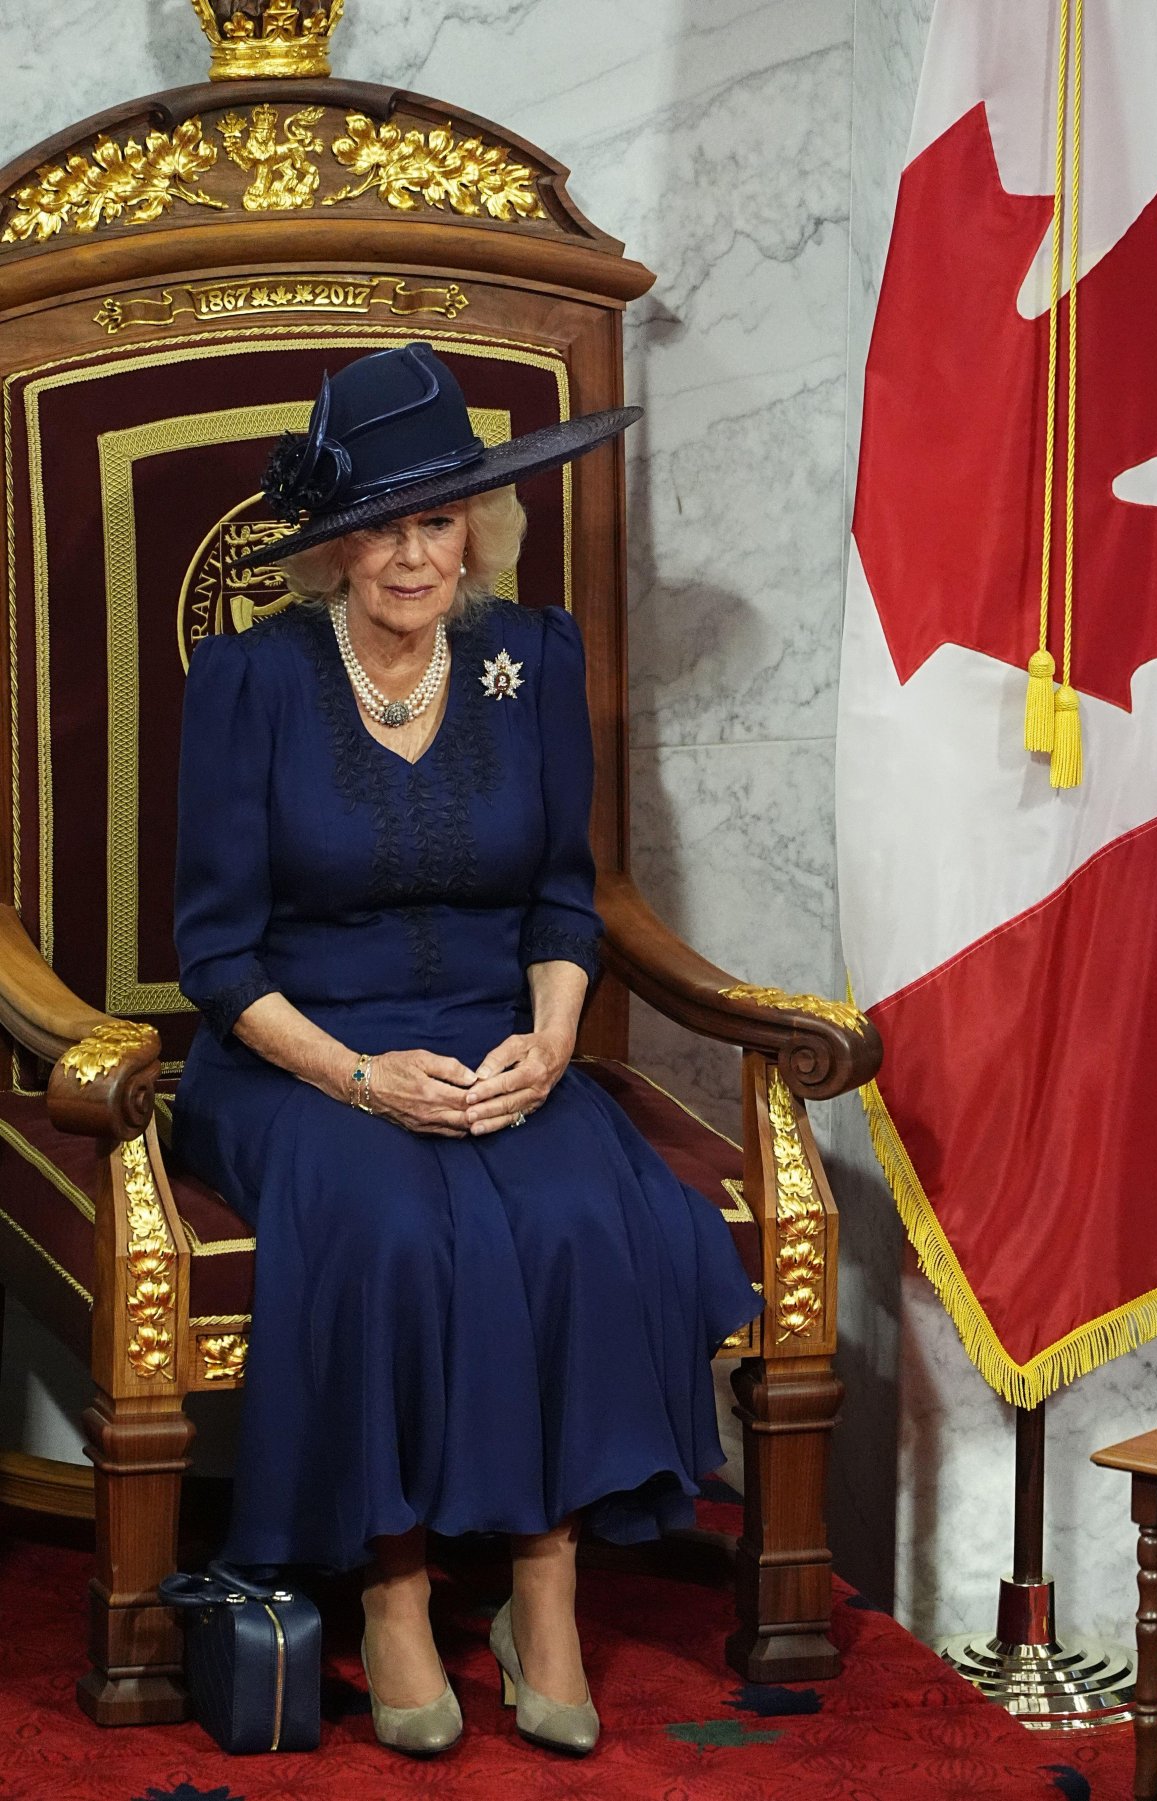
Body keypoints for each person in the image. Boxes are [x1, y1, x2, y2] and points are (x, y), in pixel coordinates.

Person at [172, 343, 762, 1758]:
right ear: (333, 545)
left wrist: (553, 1042)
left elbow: (564, 896)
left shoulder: (530, 658)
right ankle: (395, 1585)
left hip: (499, 1045)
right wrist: (358, 1078)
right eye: (379, 524)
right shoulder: (251, 680)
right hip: (297, 1058)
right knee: (385, 1225)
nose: (411, 555)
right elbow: (215, 954)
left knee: (579, 1214)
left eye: (438, 521)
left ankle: (544, 1586)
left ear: (478, 529)